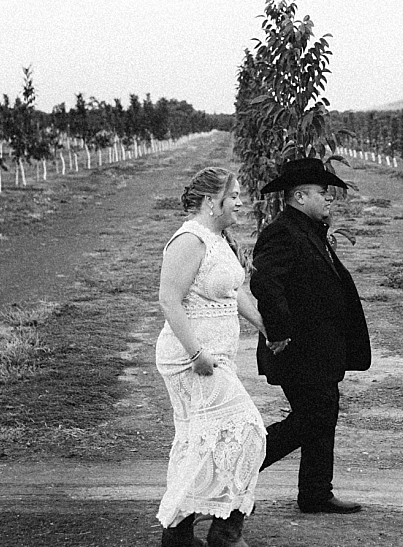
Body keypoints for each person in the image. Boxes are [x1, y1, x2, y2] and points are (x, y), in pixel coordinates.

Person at [251, 157, 372, 514]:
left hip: (319, 350)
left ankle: (316, 492)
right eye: (323, 192)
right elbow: (264, 282)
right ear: (300, 197)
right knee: (314, 416)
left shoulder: (308, 231)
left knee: (323, 413)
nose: (329, 198)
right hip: (297, 349)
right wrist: (279, 331)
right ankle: (236, 467)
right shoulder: (283, 232)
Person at [155, 167, 267, 547]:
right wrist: (197, 352)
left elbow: (234, 292)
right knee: (248, 430)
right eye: (233, 196)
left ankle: (184, 534)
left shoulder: (219, 239)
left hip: (217, 358)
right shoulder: (189, 240)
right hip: (191, 359)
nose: (240, 203)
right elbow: (169, 300)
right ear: (210, 201)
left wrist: (265, 327)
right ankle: (224, 532)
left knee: (202, 442)